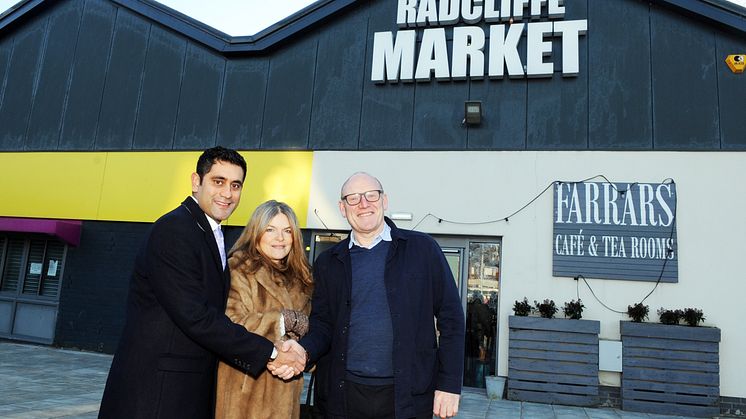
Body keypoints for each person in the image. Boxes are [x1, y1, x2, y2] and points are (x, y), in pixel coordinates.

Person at [98, 147, 304, 419]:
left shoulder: (208, 231)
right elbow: (195, 315)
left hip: (184, 387)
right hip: (158, 392)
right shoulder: (174, 230)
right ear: (196, 182)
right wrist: (271, 353)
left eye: (235, 185)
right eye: (218, 182)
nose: (227, 193)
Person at [276, 172, 465, 419]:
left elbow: (451, 318)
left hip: (407, 398)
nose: (363, 204)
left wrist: (449, 384)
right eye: (353, 198)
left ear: (384, 200)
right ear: (342, 208)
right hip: (342, 396)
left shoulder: (423, 250)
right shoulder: (328, 262)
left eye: (371, 195)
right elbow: (323, 324)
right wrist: (304, 350)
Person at [215, 200, 313, 419]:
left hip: (286, 398)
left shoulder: (302, 278)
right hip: (245, 395)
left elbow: (312, 330)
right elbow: (227, 325)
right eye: (271, 230)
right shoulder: (238, 269)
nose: (280, 238)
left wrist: (300, 355)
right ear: (256, 232)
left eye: (287, 231)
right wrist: (280, 321)